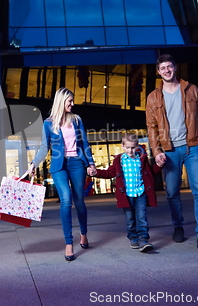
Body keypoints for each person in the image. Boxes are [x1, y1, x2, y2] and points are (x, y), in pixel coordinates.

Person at [146, 54, 198, 253]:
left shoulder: (191, 90)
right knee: (171, 193)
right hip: (169, 151)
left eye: (169, 66)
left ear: (175, 68)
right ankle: (178, 225)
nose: (167, 71)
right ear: (158, 71)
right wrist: (157, 150)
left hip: (193, 147)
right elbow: (151, 128)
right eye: (163, 68)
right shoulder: (153, 97)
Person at [29, 87, 96, 261]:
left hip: (77, 163)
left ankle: (83, 233)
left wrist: (91, 163)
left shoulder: (77, 120)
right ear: (61, 102)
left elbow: (84, 143)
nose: (73, 104)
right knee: (66, 199)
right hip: (59, 165)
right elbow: (44, 147)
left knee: (79, 200)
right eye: (70, 101)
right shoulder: (48, 123)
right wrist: (33, 163)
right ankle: (68, 243)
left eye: (72, 101)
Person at [93, 134, 162, 252]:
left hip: (140, 193)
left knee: (142, 217)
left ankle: (144, 239)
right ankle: (133, 236)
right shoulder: (119, 161)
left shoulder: (142, 159)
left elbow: (151, 172)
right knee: (130, 219)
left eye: (133, 148)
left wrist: (159, 166)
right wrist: (96, 172)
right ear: (123, 146)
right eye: (128, 148)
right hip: (126, 195)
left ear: (137, 147)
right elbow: (109, 173)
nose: (131, 150)